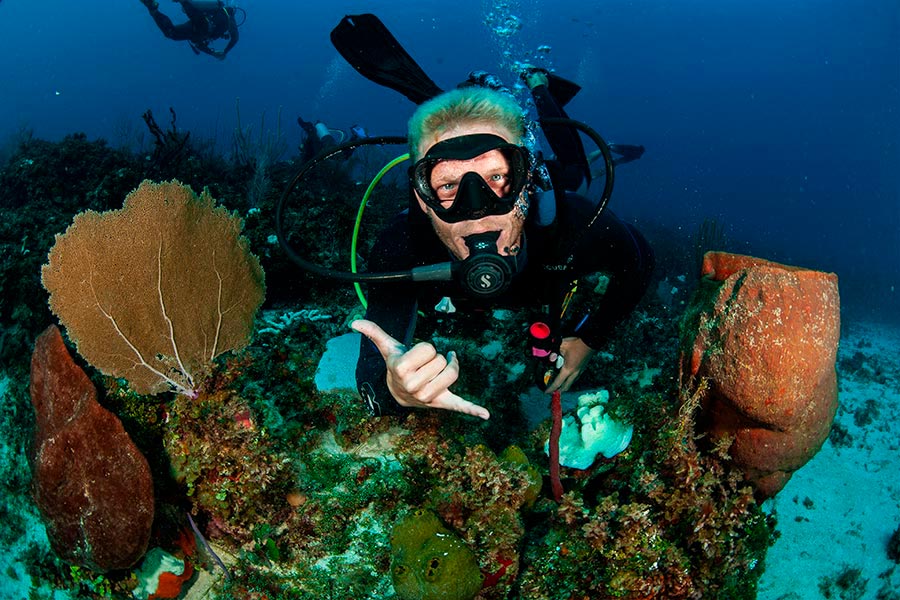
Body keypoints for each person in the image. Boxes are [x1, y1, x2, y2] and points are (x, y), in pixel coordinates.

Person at [351, 79, 654, 419]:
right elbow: (374, 382)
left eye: (497, 178)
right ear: (422, 199)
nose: (477, 209)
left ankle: (540, 87)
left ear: (526, 182)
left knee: (574, 171)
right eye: (448, 185)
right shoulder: (403, 248)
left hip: (555, 186)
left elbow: (639, 261)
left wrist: (589, 339)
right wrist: (396, 390)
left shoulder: (573, 223)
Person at [140, 0, 239, 60]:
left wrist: (212, 53)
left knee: (171, 33)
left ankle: (152, 8)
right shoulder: (229, 17)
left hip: (196, 30)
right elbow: (235, 38)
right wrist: (225, 51)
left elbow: (200, 44)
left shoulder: (220, 13)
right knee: (199, 24)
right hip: (202, 26)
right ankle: (183, 2)